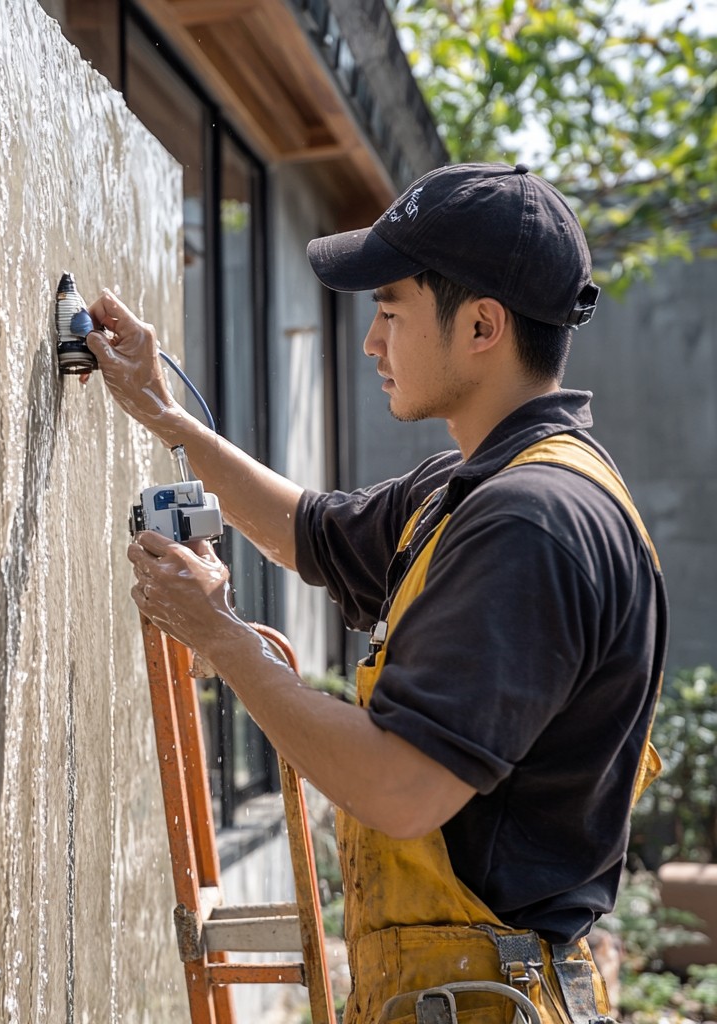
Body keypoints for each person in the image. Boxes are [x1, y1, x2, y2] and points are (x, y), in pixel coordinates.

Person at [83, 162, 667, 1024]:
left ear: (480, 325)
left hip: (485, 1001)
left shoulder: (529, 522)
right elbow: (302, 531)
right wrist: (166, 417)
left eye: (389, 310)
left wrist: (220, 637)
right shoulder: (473, 486)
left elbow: (403, 792)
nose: (371, 342)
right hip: (461, 990)